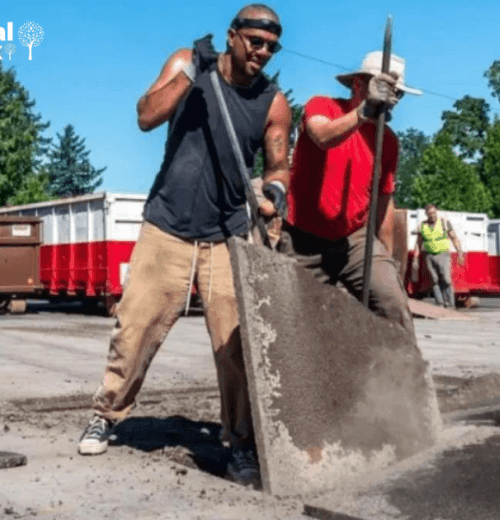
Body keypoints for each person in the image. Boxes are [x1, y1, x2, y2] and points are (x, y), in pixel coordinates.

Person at [76, 4, 292, 490]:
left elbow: (279, 165)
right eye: (255, 42)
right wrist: (192, 71)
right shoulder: (187, 65)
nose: (262, 53)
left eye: (271, 47)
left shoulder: (273, 102)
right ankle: (106, 415)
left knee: (236, 346)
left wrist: (275, 193)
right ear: (233, 36)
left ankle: (240, 444)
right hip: (167, 224)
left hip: (229, 234)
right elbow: (145, 116)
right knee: (134, 329)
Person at [283, 50, 421, 336]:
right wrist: (364, 112)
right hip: (302, 239)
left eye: (396, 94)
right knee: (298, 327)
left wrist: (389, 261)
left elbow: (383, 205)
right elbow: (322, 137)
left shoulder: (388, 142)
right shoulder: (322, 105)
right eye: (382, 88)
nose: (390, 98)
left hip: (353, 239)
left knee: (392, 305)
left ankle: (400, 377)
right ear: (359, 85)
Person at [412, 204, 465, 308]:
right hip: (429, 255)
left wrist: (460, 253)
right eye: (430, 214)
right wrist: (415, 258)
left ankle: (450, 305)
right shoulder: (422, 225)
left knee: (446, 279)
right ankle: (440, 304)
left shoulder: (444, 223)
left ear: (436, 212)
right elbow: (418, 243)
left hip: (443, 254)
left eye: (434, 213)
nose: (432, 216)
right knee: (434, 280)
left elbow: (454, 238)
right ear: (426, 214)